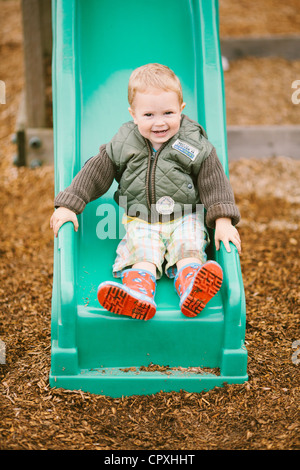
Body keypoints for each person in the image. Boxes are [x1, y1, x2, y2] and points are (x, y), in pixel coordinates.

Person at [50, 63, 241, 321]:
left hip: (185, 215)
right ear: (134, 114)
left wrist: (223, 220)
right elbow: (96, 172)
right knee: (142, 251)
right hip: (142, 218)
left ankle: (192, 287)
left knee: (189, 246)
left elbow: (213, 180)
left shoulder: (192, 143)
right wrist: (69, 204)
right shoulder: (124, 143)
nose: (160, 122)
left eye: (168, 113)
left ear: (181, 110)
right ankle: (138, 295)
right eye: (149, 115)